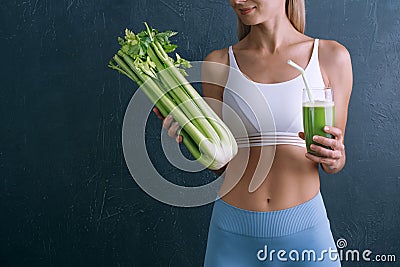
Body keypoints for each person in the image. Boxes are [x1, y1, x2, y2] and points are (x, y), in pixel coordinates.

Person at [154, 0, 352, 266]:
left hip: (305, 234)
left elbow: (333, 159)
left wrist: (336, 158)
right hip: (232, 234)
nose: (237, 0)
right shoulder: (219, 63)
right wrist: (189, 132)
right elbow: (220, 167)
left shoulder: (330, 57)